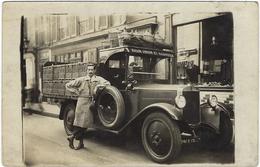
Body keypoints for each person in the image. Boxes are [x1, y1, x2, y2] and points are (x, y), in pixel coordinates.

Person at [65, 63, 110, 150]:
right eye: (88, 69)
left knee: (85, 124)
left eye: (91, 69)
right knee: (80, 124)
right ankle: (78, 141)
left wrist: (99, 87)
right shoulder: (81, 79)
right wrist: (75, 91)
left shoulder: (98, 79)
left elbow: (108, 83)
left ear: (94, 70)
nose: (90, 71)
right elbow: (68, 85)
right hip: (81, 102)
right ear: (86, 70)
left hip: (90, 102)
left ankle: (72, 137)